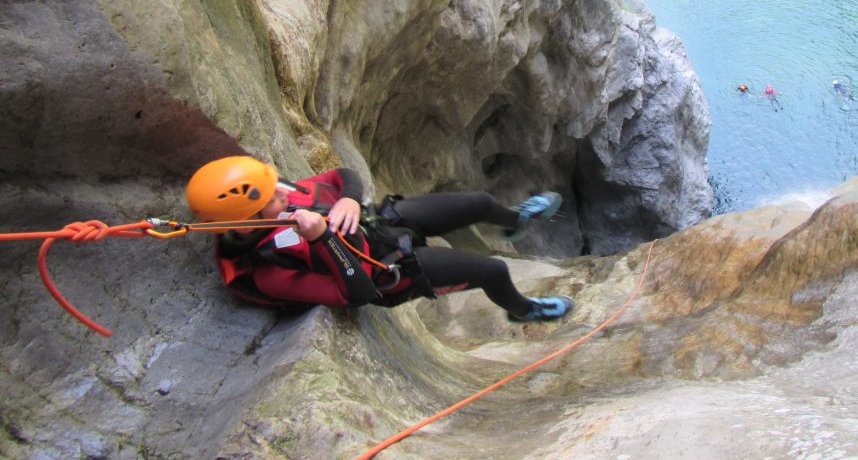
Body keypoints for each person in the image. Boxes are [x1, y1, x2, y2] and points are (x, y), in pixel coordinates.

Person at [185, 156, 574, 322]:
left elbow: (341, 175)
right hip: (390, 271)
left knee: (480, 202)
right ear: (246, 218)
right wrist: (323, 239)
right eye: (272, 198)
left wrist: (351, 200)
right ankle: (523, 310)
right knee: (493, 270)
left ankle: (515, 220)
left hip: (381, 222)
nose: (285, 194)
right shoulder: (269, 270)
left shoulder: (276, 197)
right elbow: (357, 294)